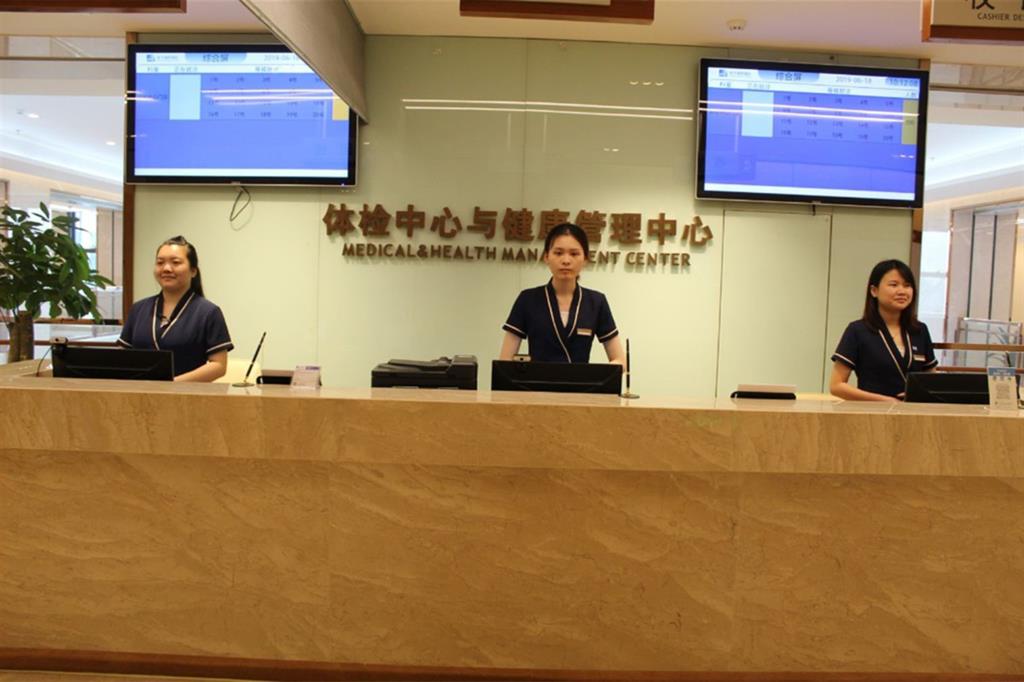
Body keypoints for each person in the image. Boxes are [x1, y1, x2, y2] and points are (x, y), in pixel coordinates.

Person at [500, 222, 624, 364]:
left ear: (585, 259)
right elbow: (505, 360)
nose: (566, 260)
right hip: (537, 379)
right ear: (546, 257)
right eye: (558, 253)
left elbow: (620, 359)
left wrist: (600, 373)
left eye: (574, 254)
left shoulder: (596, 302)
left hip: (582, 379)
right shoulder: (528, 299)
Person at [118, 236, 232, 382]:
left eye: (175, 262)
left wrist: (172, 384)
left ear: (193, 271)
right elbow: (122, 356)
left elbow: (219, 365)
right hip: (138, 392)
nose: (166, 268)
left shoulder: (208, 312)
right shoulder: (138, 309)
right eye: (160, 262)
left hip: (185, 393)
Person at [830, 259, 937, 401]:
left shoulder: (919, 330)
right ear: (874, 291)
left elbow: (931, 380)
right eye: (894, 285)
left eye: (907, 285)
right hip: (873, 411)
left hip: (914, 411)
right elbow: (837, 386)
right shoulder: (858, 330)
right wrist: (885, 401)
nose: (902, 291)